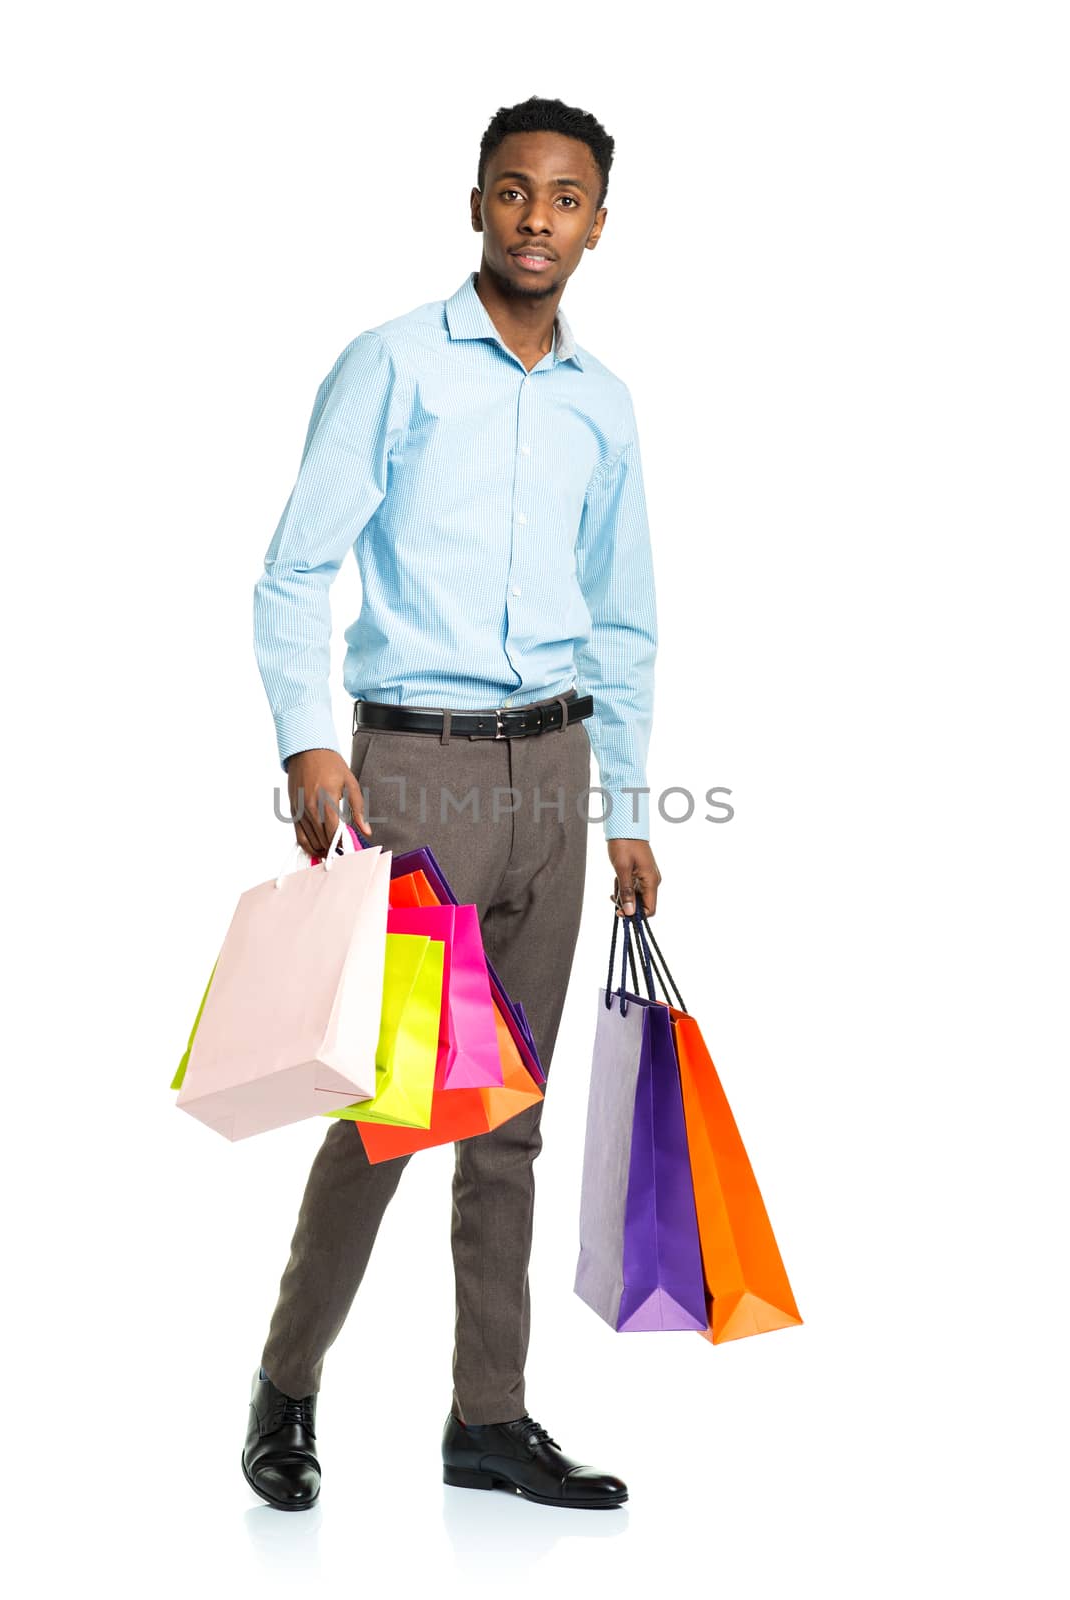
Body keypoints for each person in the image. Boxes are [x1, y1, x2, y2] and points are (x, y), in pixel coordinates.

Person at [244, 94, 661, 1512]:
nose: (535, 218)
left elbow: (625, 619)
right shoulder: (392, 367)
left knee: (511, 1121)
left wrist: (630, 811)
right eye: (510, 191)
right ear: (475, 204)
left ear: (599, 222)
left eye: (563, 197)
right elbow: (297, 569)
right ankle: (287, 1389)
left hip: (554, 772)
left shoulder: (602, 404)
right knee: (394, 1105)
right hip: (412, 767)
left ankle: (486, 1415)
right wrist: (311, 742)